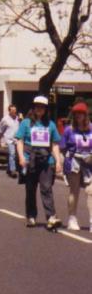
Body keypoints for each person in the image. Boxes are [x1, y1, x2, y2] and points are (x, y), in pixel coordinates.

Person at [15, 95, 63, 230]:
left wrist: (58, 161)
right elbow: (20, 140)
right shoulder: (26, 123)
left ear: (46, 109)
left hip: (46, 160)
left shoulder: (51, 124)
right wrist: (21, 157)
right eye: (37, 106)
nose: (39, 109)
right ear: (33, 108)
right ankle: (31, 216)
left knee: (46, 188)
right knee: (30, 189)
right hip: (30, 160)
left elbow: (54, 144)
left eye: (42, 107)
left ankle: (51, 217)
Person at [60, 102, 92, 231]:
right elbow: (63, 147)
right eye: (76, 113)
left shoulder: (91, 128)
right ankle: (72, 218)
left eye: (81, 113)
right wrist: (66, 161)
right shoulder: (69, 130)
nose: (78, 115)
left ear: (85, 115)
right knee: (74, 191)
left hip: (89, 164)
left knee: (91, 192)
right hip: (74, 163)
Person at [0, 104, 21, 177]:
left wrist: (21, 120)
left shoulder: (18, 119)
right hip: (9, 140)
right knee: (12, 154)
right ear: (9, 111)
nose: (14, 112)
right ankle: (13, 170)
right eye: (13, 110)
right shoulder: (5, 119)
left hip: (17, 140)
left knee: (15, 156)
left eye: (15, 110)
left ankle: (9, 169)